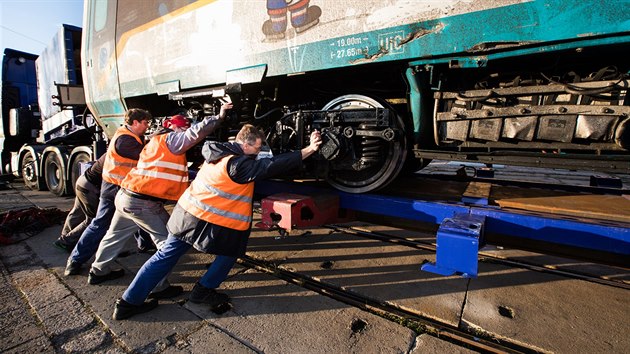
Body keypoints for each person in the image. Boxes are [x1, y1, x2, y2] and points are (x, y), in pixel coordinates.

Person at [111, 124, 322, 320]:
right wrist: (309, 149)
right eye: (257, 147)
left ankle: (128, 302)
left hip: (186, 215)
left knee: (164, 256)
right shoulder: (239, 166)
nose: (258, 152)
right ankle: (203, 291)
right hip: (211, 221)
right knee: (229, 254)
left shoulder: (216, 150)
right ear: (245, 144)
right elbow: (271, 166)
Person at [87, 104, 232, 295]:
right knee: (167, 243)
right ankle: (158, 286)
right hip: (142, 203)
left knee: (115, 235)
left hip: (125, 197)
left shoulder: (154, 141)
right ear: (178, 128)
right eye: (183, 129)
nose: (184, 133)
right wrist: (218, 117)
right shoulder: (172, 138)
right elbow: (194, 134)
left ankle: (98, 271)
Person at [64, 108, 152, 276]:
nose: (147, 126)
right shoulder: (125, 140)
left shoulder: (129, 135)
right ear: (135, 122)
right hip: (114, 188)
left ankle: (145, 244)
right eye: (145, 123)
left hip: (119, 186)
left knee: (136, 215)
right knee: (100, 224)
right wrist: (158, 141)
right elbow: (146, 156)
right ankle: (75, 260)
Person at [54, 154, 105, 252]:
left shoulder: (113, 151)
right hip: (90, 188)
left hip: (83, 181)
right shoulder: (125, 153)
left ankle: (66, 236)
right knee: (93, 220)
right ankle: (66, 241)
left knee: (77, 212)